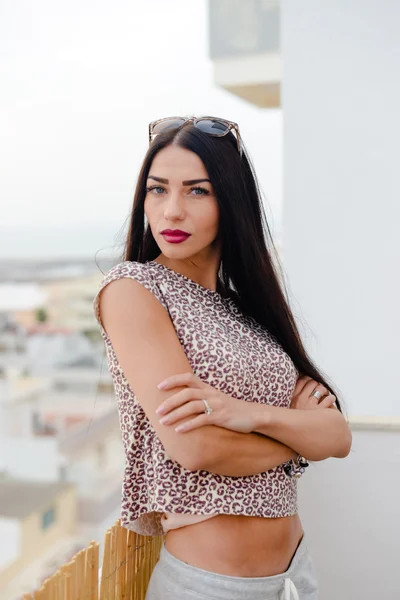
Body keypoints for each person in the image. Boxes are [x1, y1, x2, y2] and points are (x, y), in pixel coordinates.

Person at [93, 116, 352, 600]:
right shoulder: (134, 290)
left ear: (230, 200)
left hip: (295, 580)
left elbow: (336, 435)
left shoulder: (247, 314)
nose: (171, 211)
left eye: (197, 191)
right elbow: (195, 449)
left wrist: (248, 415)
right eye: (157, 190)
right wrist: (296, 440)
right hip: (210, 586)